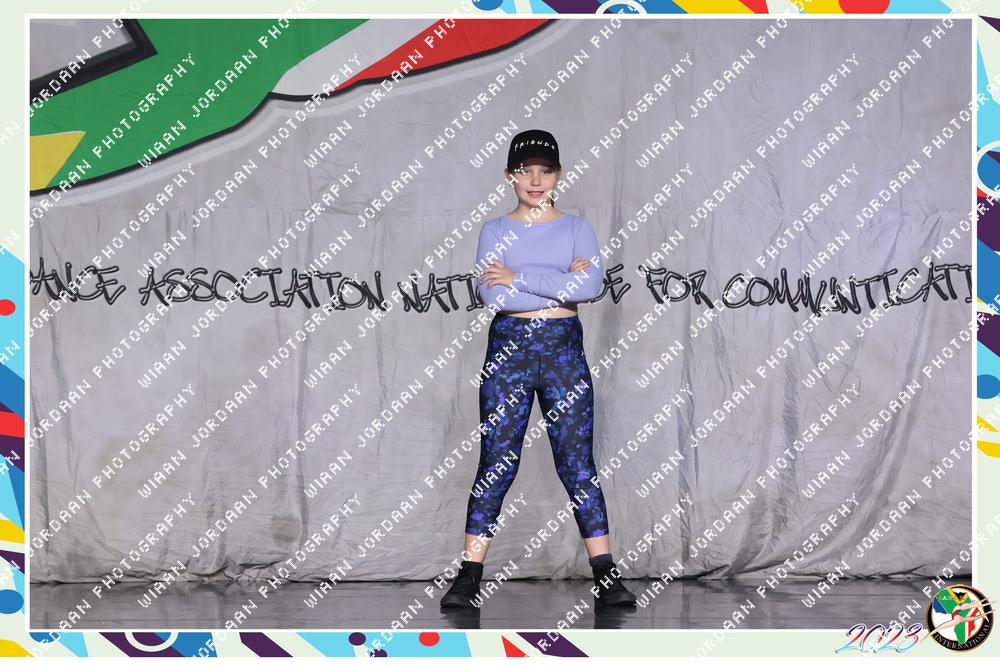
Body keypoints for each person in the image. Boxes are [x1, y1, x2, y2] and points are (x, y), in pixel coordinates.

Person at [440, 129, 637, 609]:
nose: (535, 180)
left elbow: (589, 287)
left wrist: (519, 277)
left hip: (563, 352)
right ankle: (468, 577)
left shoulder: (576, 227)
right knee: (496, 462)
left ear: (558, 175)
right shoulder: (494, 230)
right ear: (508, 175)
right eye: (524, 170)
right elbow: (494, 296)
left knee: (577, 464)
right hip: (510, 352)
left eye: (545, 170)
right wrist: (559, 281)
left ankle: (606, 575)